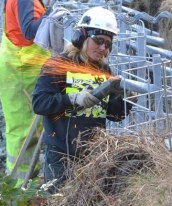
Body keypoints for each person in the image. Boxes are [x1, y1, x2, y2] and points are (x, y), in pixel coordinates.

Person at [32, 7, 133, 193]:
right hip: (61, 155)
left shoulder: (104, 71)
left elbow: (115, 116)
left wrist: (123, 100)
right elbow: (39, 103)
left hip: (94, 154)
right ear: (81, 37)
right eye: (99, 41)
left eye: (108, 44)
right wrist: (72, 98)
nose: (103, 48)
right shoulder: (57, 66)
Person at [0, 0, 52, 184]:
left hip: (21, 66)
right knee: (22, 131)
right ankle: (20, 187)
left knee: (28, 129)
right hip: (20, 69)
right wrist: (52, 13)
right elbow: (29, 31)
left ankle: (26, 182)